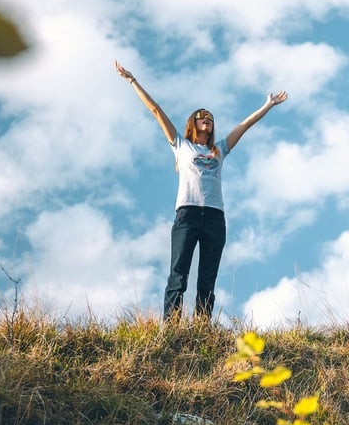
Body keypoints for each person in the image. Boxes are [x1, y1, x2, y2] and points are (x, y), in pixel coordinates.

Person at [114, 60, 287, 322]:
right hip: (188, 214)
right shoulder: (181, 145)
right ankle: (171, 327)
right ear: (192, 123)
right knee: (179, 272)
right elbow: (155, 110)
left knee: (207, 277)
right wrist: (132, 80)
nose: (207, 118)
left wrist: (268, 105)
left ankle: (202, 328)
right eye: (201, 116)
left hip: (215, 218)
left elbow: (246, 124)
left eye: (210, 117)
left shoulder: (220, 149)